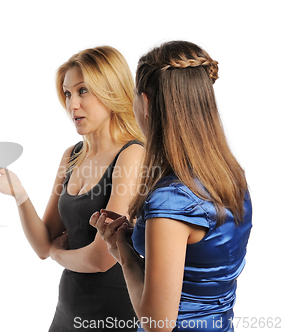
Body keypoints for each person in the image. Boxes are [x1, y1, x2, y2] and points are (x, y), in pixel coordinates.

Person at [91, 40, 252, 332]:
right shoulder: (231, 178)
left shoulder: (171, 199)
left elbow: (157, 325)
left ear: (146, 102)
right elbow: (199, 264)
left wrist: (124, 255)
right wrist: (136, 236)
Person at [0, 46, 145, 331]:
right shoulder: (72, 155)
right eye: (68, 93)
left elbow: (102, 257)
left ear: (111, 91)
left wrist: (60, 255)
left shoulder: (132, 154)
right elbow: (44, 245)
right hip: (67, 312)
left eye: (83, 91)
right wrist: (20, 194)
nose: (72, 105)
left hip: (115, 315)